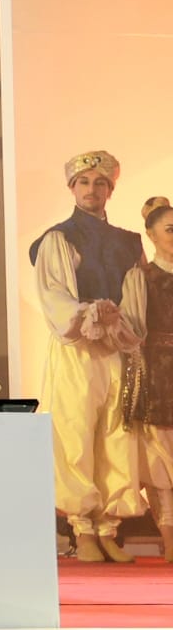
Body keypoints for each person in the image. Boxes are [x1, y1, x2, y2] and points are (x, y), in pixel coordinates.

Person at [31, 150, 146, 562]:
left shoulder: (129, 242)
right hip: (77, 348)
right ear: (72, 188)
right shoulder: (58, 239)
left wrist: (119, 323)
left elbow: (136, 299)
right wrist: (88, 315)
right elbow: (54, 295)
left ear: (110, 189)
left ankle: (108, 527)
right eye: (84, 182)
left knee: (117, 432)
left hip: (114, 348)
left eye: (100, 183)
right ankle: (83, 529)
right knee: (76, 432)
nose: (92, 190)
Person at [125, 197, 173, 558]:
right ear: (151, 234)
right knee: (161, 455)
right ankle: (169, 536)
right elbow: (133, 329)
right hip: (159, 369)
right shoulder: (142, 278)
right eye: (169, 229)